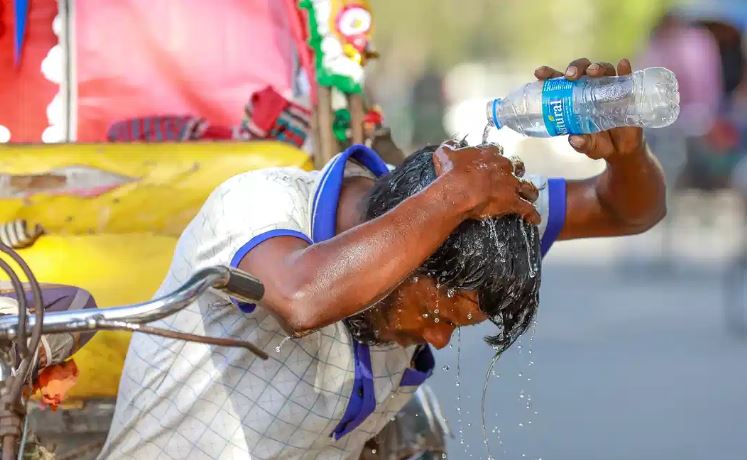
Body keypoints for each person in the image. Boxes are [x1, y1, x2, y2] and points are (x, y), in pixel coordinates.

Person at [98, 58, 666, 460]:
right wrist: (451, 197)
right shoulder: (258, 206)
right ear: (410, 248)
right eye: (440, 315)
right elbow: (301, 298)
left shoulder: (470, 229)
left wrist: (629, 153)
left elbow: (627, 210)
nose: (439, 341)